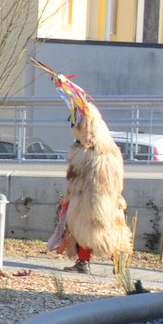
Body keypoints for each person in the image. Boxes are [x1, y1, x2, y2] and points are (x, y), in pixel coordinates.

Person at [38, 61, 131, 276]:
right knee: (85, 229)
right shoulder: (98, 151)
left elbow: (85, 111)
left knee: (98, 229)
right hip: (88, 199)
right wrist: (64, 88)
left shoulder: (99, 154)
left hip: (95, 201)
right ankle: (86, 261)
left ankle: (115, 259)